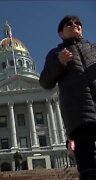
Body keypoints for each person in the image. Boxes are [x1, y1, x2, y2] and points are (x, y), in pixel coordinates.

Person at [39, 15, 96, 179]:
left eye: (78, 23)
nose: (75, 25)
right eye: (69, 24)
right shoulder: (56, 53)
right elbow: (45, 82)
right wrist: (60, 62)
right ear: (60, 33)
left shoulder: (94, 48)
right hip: (79, 114)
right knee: (88, 168)